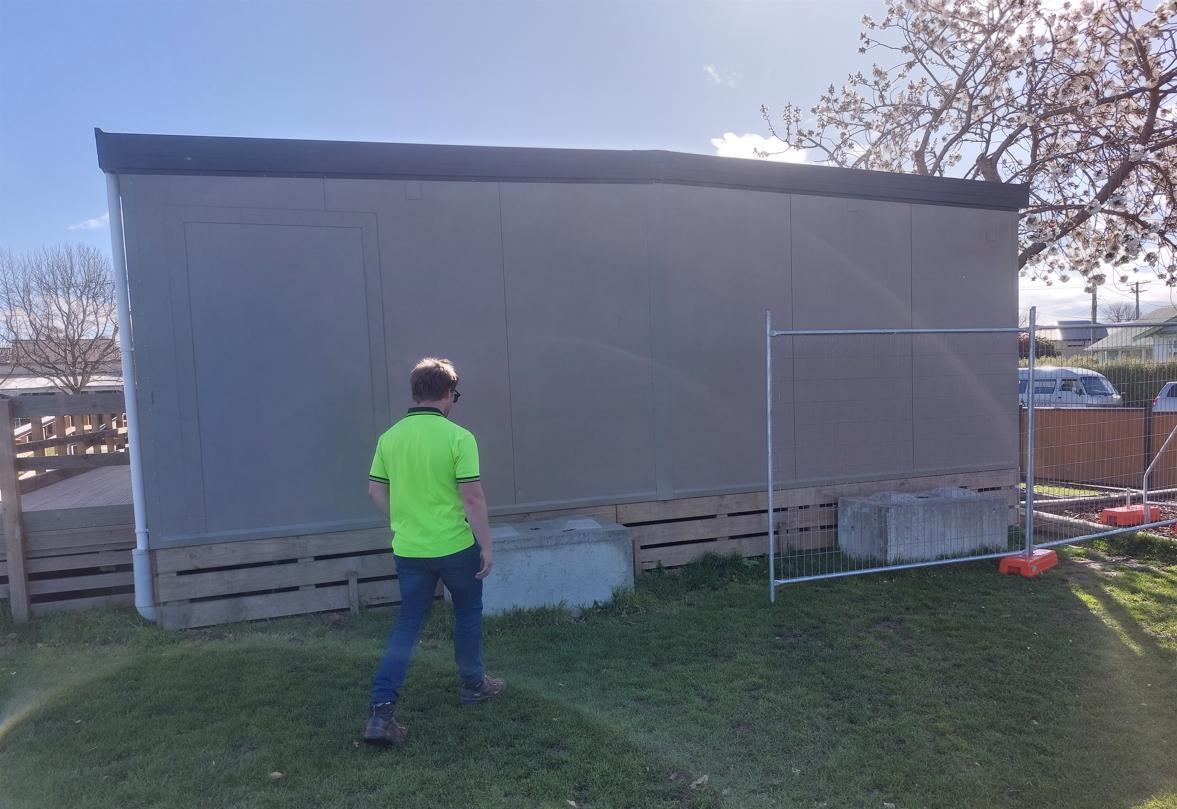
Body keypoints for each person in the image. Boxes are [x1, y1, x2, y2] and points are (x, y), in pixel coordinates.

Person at [362, 357, 504, 746]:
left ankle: (381, 712)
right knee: (468, 613)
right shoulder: (459, 438)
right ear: (446, 394)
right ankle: (474, 685)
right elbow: (472, 498)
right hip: (456, 546)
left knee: (408, 623)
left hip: (409, 549)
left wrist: (405, 518)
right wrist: (487, 546)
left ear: (415, 393)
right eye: (454, 395)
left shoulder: (389, 438)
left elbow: (375, 490)